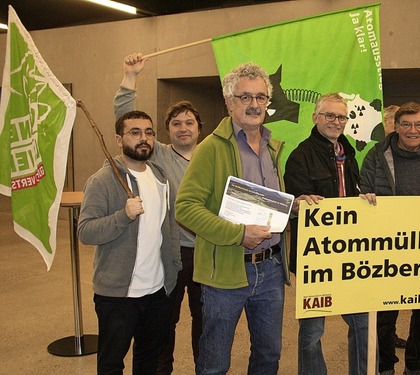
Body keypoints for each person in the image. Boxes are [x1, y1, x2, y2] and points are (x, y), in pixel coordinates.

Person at [175, 62, 289, 374]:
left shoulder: (273, 148)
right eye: (245, 97)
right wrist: (238, 234)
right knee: (215, 364)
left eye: (261, 98)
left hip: (271, 270)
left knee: (268, 357)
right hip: (226, 271)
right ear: (229, 102)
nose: (254, 104)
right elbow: (185, 207)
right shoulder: (211, 148)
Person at [113, 53, 204, 374]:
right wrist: (130, 78)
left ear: (199, 128)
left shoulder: (212, 157)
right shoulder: (158, 156)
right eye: (176, 123)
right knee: (163, 325)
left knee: (206, 325)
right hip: (171, 252)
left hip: (208, 252)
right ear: (166, 131)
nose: (183, 128)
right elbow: (127, 121)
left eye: (189, 122)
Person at [78, 110, 181, 374]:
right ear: (118, 139)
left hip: (158, 290)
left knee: (148, 359)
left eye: (148, 132)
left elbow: (167, 227)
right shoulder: (102, 181)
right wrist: (123, 216)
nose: (143, 138)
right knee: (111, 363)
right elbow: (86, 231)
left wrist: (174, 266)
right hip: (118, 294)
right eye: (134, 133)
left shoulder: (160, 177)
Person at [285, 93, 373, 375]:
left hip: (350, 254)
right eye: (330, 116)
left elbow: (352, 194)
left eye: (341, 117)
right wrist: (300, 201)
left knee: (361, 323)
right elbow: (292, 202)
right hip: (317, 258)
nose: (336, 122)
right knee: (312, 330)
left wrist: (365, 198)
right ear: (316, 117)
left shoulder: (349, 154)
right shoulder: (300, 155)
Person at [360, 101, 420, 375]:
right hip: (387, 247)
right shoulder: (375, 155)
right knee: (385, 315)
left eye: (418, 124)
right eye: (406, 124)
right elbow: (362, 192)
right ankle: (386, 366)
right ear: (396, 127)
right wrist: (366, 199)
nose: (413, 130)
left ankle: (416, 365)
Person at [382, 104, 409, 350]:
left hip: (404, 233)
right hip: (382, 233)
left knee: (396, 291)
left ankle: (389, 335)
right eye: (397, 124)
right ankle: (383, 339)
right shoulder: (376, 155)